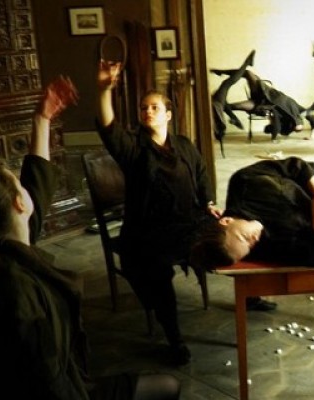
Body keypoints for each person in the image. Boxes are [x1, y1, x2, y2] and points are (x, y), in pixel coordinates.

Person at [0, 76, 181, 400]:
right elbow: (49, 383)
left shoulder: (0, 244)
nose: (27, 186)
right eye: (18, 183)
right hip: (68, 393)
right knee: (168, 386)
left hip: (63, 380)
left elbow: (37, 178)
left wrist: (42, 117)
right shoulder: (17, 291)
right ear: (18, 204)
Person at [97, 60, 223, 365]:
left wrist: (208, 202)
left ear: (168, 114)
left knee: (232, 235)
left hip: (189, 221)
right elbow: (109, 128)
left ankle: (252, 296)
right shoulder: (133, 148)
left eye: (154, 107)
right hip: (149, 231)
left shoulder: (184, 145)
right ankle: (174, 339)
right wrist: (104, 90)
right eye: (144, 108)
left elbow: (202, 174)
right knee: (157, 271)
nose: (148, 112)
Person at [211, 59, 314, 141]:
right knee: (248, 73)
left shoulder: (281, 123)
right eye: (299, 126)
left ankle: (224, 113)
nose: (298, 127)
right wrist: (313, 135)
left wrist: (272, 122)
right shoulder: (299, 109)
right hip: (265, 92)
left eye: (296, 128)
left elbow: (276, 125)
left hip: (260, 105)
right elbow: (312, 118)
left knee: (233, 106)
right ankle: (221, 72)